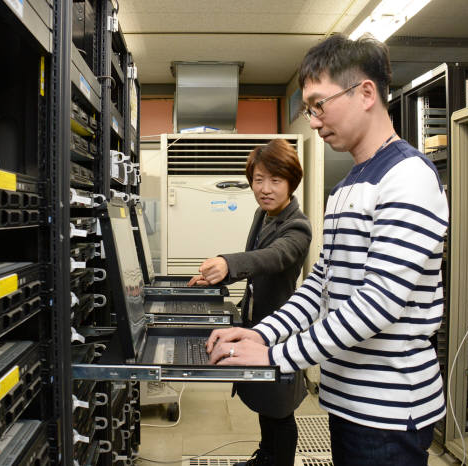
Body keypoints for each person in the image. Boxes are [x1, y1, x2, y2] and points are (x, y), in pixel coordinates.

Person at [205, 33, 448, 466]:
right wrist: (262, 332)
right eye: (309, 109)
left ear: (366, 92)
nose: (313, 121)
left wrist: (275, 355)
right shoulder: (348, 186)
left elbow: (377, 304)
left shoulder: (409, 178)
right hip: (349, 401)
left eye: (319, 104)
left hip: (387, 411)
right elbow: (320, 284)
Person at [188, 138, 312, 466]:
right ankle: (266, 456)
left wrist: (229, 263)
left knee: (280, 410)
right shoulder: (263, 214)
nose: (266, 188)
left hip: (282, 328)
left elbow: (272, 257)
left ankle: (277, 461)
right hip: (257, 325)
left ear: (291, 182)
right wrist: (219, 277)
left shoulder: (298, 226)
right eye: (259, 180)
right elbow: (255, 261)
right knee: (264, 401)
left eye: (275, 180)